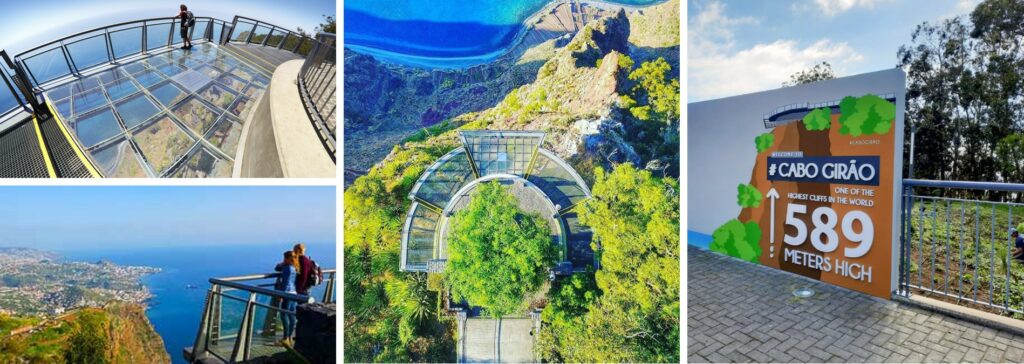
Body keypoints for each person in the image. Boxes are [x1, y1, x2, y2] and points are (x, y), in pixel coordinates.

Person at [274, 251, 299, 346]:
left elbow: (285, 282)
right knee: (291, 315)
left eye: (284, 258)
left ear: (288, 258)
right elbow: (277, 268)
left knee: (284, 315)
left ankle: (285, 338)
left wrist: (281, 294)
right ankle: (289, 337)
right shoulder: (294, 267)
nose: (283, 260)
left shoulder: (287, 268)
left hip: (287, 293)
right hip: (294, 293)